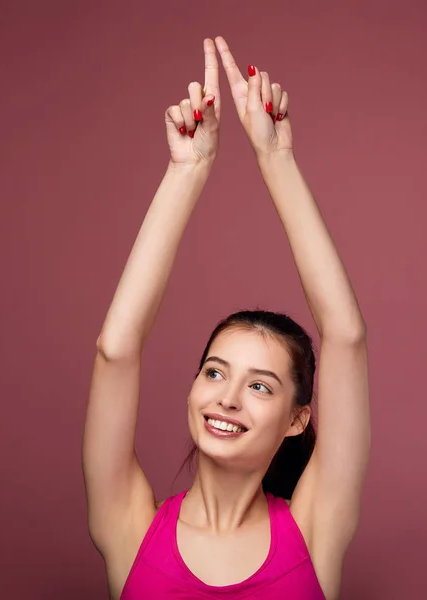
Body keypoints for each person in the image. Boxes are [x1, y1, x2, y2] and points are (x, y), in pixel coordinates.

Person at [82, 36, 370, 600]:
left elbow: (346, 336)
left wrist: (276, 158)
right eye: (215, 372)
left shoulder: (315, 528)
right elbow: (115, 349)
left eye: (260, 386)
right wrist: (188, 169)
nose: (227, 398)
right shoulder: (130, 525)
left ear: (297, 420)